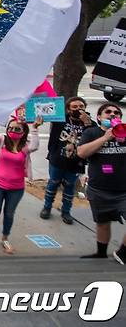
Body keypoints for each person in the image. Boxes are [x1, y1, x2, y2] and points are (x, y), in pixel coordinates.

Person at [0, 117, 41, 256]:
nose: (13, 131)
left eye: (17, 129)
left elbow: (35, 146)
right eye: (10, 128)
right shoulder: (1, 141)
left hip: (16, 187)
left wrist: (35, 128)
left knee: (9, 214)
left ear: (23, 132)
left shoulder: (26, 146)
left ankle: (5, 238)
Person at [78, 104, 126, 264]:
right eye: (108, 112)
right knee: (103, 223)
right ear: (99, 117)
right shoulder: (91, 132)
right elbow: (82, 153)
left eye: (116, 112)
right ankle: (101, 253)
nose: (112, 114)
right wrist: (106, 138)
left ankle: (123, 252)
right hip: (99, 188)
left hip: (123, 189)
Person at [41, 97, 96, 224]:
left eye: (81, 106)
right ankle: (47, 207)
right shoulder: (61, 119)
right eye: (74, 107)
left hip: (76, 162)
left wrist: (87, 124)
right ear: (68, 110)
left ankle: (66, 211)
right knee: (53, 183)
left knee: (70, 186)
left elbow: (93, 139)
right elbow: (46, 112)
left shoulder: (91, 124)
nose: (78, 109)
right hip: (57, 159)